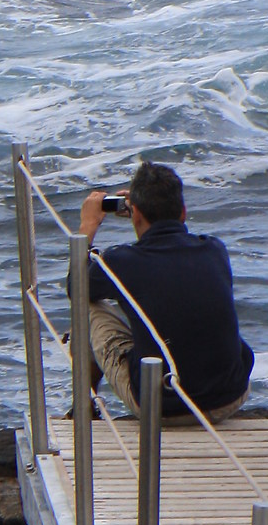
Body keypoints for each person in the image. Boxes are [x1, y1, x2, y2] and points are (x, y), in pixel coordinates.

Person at [80, 160, 254, 422]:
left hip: (162, 407)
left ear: (135, 214)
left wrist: (88, 226)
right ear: (183, 212)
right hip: (230, 398)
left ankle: (83, 407)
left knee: (88, 303)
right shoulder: (215, 249)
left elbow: (75, 286)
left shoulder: (122, 262)